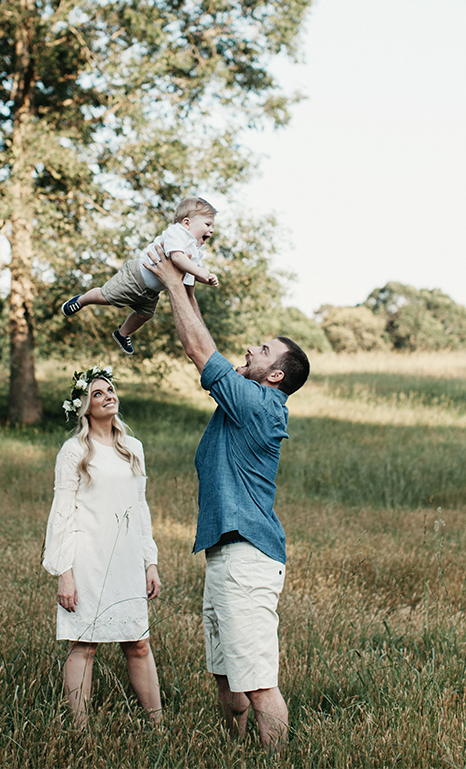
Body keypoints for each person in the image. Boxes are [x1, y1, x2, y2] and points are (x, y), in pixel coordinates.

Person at [143, 247, 309, 752]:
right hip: (224, 552)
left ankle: (275, 760)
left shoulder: (259, 405)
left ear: (275, 374)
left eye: (261, 350)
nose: (250, 351)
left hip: (248, 557)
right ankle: (235, 754)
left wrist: (171, 282)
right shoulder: (244, 400)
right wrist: (187, 286)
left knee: (257, 683)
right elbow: (202, 344)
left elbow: (201, 353)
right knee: (226, 676)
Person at [43, 365, 162, 729]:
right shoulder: (73, 451)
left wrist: (150, 562)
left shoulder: (133, 448)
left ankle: (157, 726)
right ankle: (80, 732)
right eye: (98, 393)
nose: (109, 396)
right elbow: (61, 512)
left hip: (126, 558)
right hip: (88, 559)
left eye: (110, 390)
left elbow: (140, 508)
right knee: (84, 644)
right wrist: (64, 572)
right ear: (84, 407)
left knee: (138, 643)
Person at [60, 197, 219, 355]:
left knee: (145, 315)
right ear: (187, 223)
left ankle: (122, 334)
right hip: (135, 277)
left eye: (212, 225)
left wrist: (205, 278)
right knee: (105, 297)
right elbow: (177, 257)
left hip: (151, 292)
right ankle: (82, 300)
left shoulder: (196, 250)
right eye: (207, 224)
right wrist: (199, 272)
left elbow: (190, 276)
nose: (211, 230)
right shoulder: (177, 233)